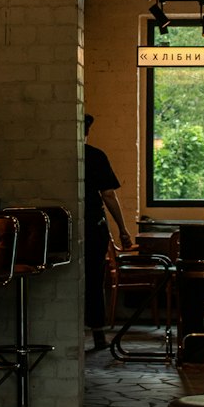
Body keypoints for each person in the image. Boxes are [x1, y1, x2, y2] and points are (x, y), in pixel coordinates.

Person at [83, 114, 132, 350]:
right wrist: (122, 229)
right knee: (93, 278)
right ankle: (97, 333)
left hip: (64, 225)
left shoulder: (58, 157)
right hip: (92, 225)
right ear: (87, 132)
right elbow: (108, 195)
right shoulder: (95, 156)